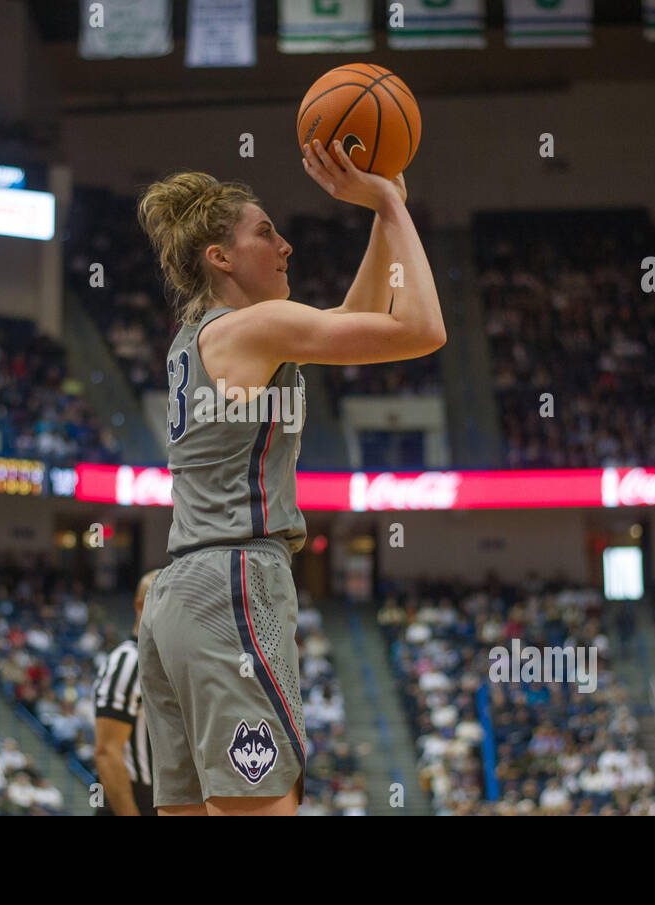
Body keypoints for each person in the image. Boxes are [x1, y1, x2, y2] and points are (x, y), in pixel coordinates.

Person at [134, 140, 445, 816]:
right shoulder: (257, 328)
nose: (286, 246)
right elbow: (421, 327)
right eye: (265, 232)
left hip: (176, 598)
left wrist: (378, 214)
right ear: (220, 258)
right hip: (232, 584)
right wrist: (391, 203)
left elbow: (350, 319)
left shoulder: (204, 336)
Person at [94, 569, 161, 816]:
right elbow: (106, 752)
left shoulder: (167, 662)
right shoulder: (127, 661)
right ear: (140, 606)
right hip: (132, 800)